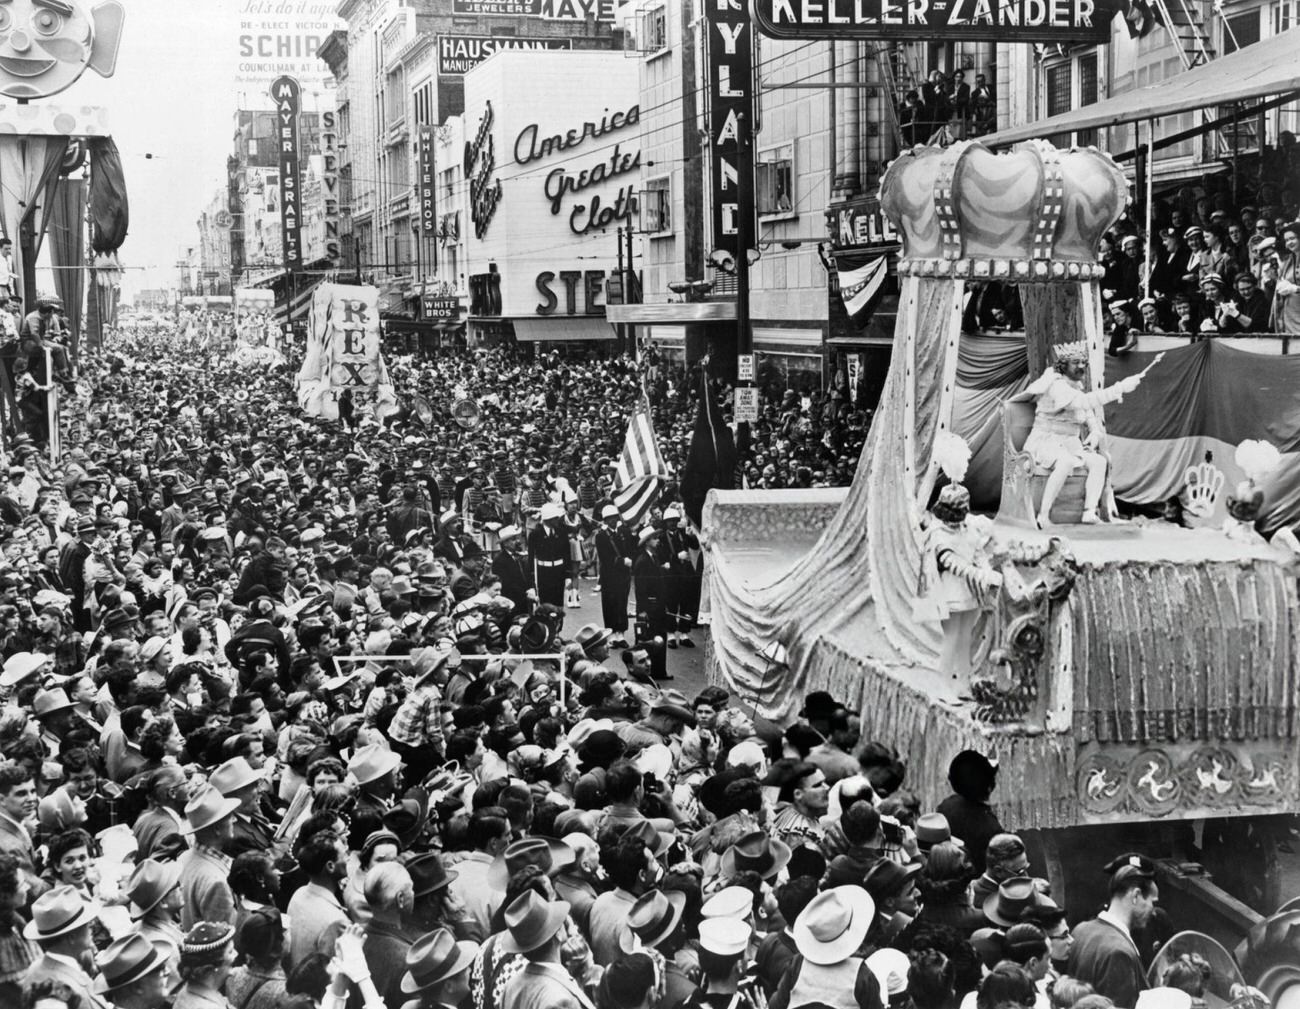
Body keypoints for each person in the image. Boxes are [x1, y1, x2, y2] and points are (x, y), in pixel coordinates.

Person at [1021, 341, 1149, 527]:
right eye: (1076, 362)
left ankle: (1089, 512)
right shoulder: (1055, 385)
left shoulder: (1076, 387)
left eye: (1083, 362)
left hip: (1070, 443)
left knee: (1099, 461)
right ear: (1063, 365)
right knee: (1064, 462)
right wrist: (1120, 388)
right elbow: (1082, 403)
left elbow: (1089, 415)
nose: (1081, 366)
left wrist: (1095, 433)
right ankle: (1043, 515)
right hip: (1045, 441)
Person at [1069, 854, 1159, 1009]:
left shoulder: (1080, 930)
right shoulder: (1120, 952)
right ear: (1136, 895)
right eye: (1152, 902)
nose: (1154, 911)